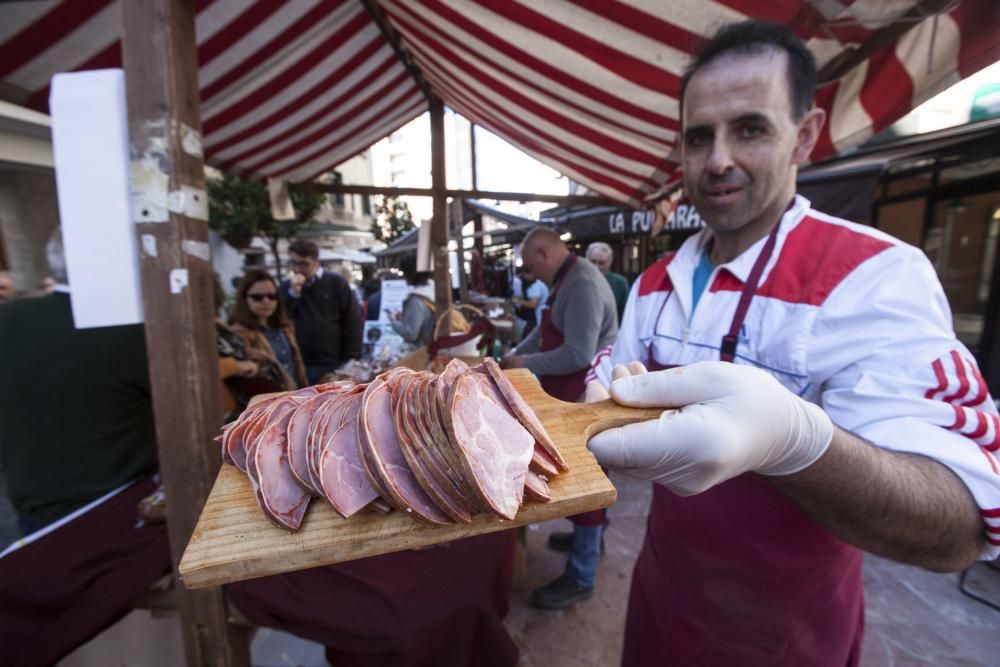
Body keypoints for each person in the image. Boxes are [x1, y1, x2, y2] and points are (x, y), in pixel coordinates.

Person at [585, 20, 1000, 666]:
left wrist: (797, 441)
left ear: (803, 137)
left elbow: (962, 523)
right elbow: (608, 384)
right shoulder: (654, 282)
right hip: (661, 609)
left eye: (749, 128)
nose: (717, 158)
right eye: (699, 137)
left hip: (787, 640)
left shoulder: (873, 275)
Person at [0, 228, 170, 665]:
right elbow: (190, 415)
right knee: (125, 642)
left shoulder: (9, 320)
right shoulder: (128, 329)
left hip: (33, 513)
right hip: (123, 523)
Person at [502, 227, 618, 610]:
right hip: (569, 395)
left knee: (583, 480)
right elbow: (544, 329)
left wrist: (525, 364)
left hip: (585, 397)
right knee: (582, 482)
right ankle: (591, 540)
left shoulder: (582, 282)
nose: (529, 272)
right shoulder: (566, 278)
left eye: (529, 264)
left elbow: (578, 354)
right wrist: (517, 353)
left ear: (544, 253)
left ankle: (582, 576)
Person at [281, 238, 362, 384]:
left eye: (304, 264)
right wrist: (293, 294)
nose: (298, 269)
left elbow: (353, 320)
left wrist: (351, 358)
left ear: (316, 262)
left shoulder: (336, 283)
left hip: (331, 362)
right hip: (299, 363)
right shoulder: (287, 287)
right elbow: (282, 318)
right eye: (294, 263)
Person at [229, 269, 307, 390]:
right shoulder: (238, 334)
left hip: (294, 398)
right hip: (263, 402)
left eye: (272, 296)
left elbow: (296, 368)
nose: (266, 301)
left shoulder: (285, 328)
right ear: (245, 299)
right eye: (258, 297)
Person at [390, 254, 436, 347]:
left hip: (422, 351)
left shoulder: (415, 299)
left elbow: (410, 334)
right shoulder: (433, 288)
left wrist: (393, 321)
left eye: (404, 271)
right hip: (434, 345)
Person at [585, 242, 629, 323]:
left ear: (609, 263)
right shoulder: (578, 281)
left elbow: (626, 314)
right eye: (593, 262)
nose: (596, 267)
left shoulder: (619, 283)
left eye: (601, 263)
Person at [510, 266, 548, 339]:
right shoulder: (539, 283)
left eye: (525, 275)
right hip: (542, 317)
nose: (524, 277)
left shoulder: (534, 286)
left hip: (538, 318)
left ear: (530, 274)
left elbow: (532, 304)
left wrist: (518, 301)